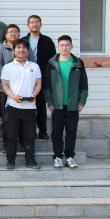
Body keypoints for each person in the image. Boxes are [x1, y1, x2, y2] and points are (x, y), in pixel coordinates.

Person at [43, 35, 88, 169]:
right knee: (56, 132)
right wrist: (50, 102)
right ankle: (57, 156)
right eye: (62, 45)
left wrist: (82, 101)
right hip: (57, 104)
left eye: (67, 45)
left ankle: (69, 157)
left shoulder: (78, 63)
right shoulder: (52, 63)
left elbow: (84, 85)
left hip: (73, 104)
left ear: (71, 46)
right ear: (58, 47)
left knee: (71, 131)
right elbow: (46, 85)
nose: (64, 47)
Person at [0, 38, 41, 169]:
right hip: (13, 107)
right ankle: (10, 161)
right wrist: (13, 96)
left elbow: (38, 83)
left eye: (24, 47)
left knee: (29, 136)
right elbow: (4, 85)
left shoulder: (34, 66)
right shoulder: (8, 67)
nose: (21, 50)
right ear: (13, 50)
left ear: (27, 50)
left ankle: (30, 160)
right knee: (11, 136)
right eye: (18, 47)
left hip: (30, 107)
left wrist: (34, 94)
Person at [0, 24, 36, 153]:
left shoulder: (26, 48)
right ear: (6, 35)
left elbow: (33, 65)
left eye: (16, 32)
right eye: (10, 32)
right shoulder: (1, 49)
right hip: (6, 89)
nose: (13, 34)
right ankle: (7, 144)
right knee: (8, 120)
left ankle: (24, 143)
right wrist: (9, 80)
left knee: (25, 121)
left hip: (26, 91)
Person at [21, 15, 56, 139]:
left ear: (40, 24)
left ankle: (42, 130)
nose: (34, 24)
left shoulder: (47, 41)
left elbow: (53, 60)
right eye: (32, 22)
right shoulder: (23, 41)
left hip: (42, 77)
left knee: (41, 104)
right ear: (28, 25)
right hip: (26, 77)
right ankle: (30, 131)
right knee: (27, 105)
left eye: (37, 22)